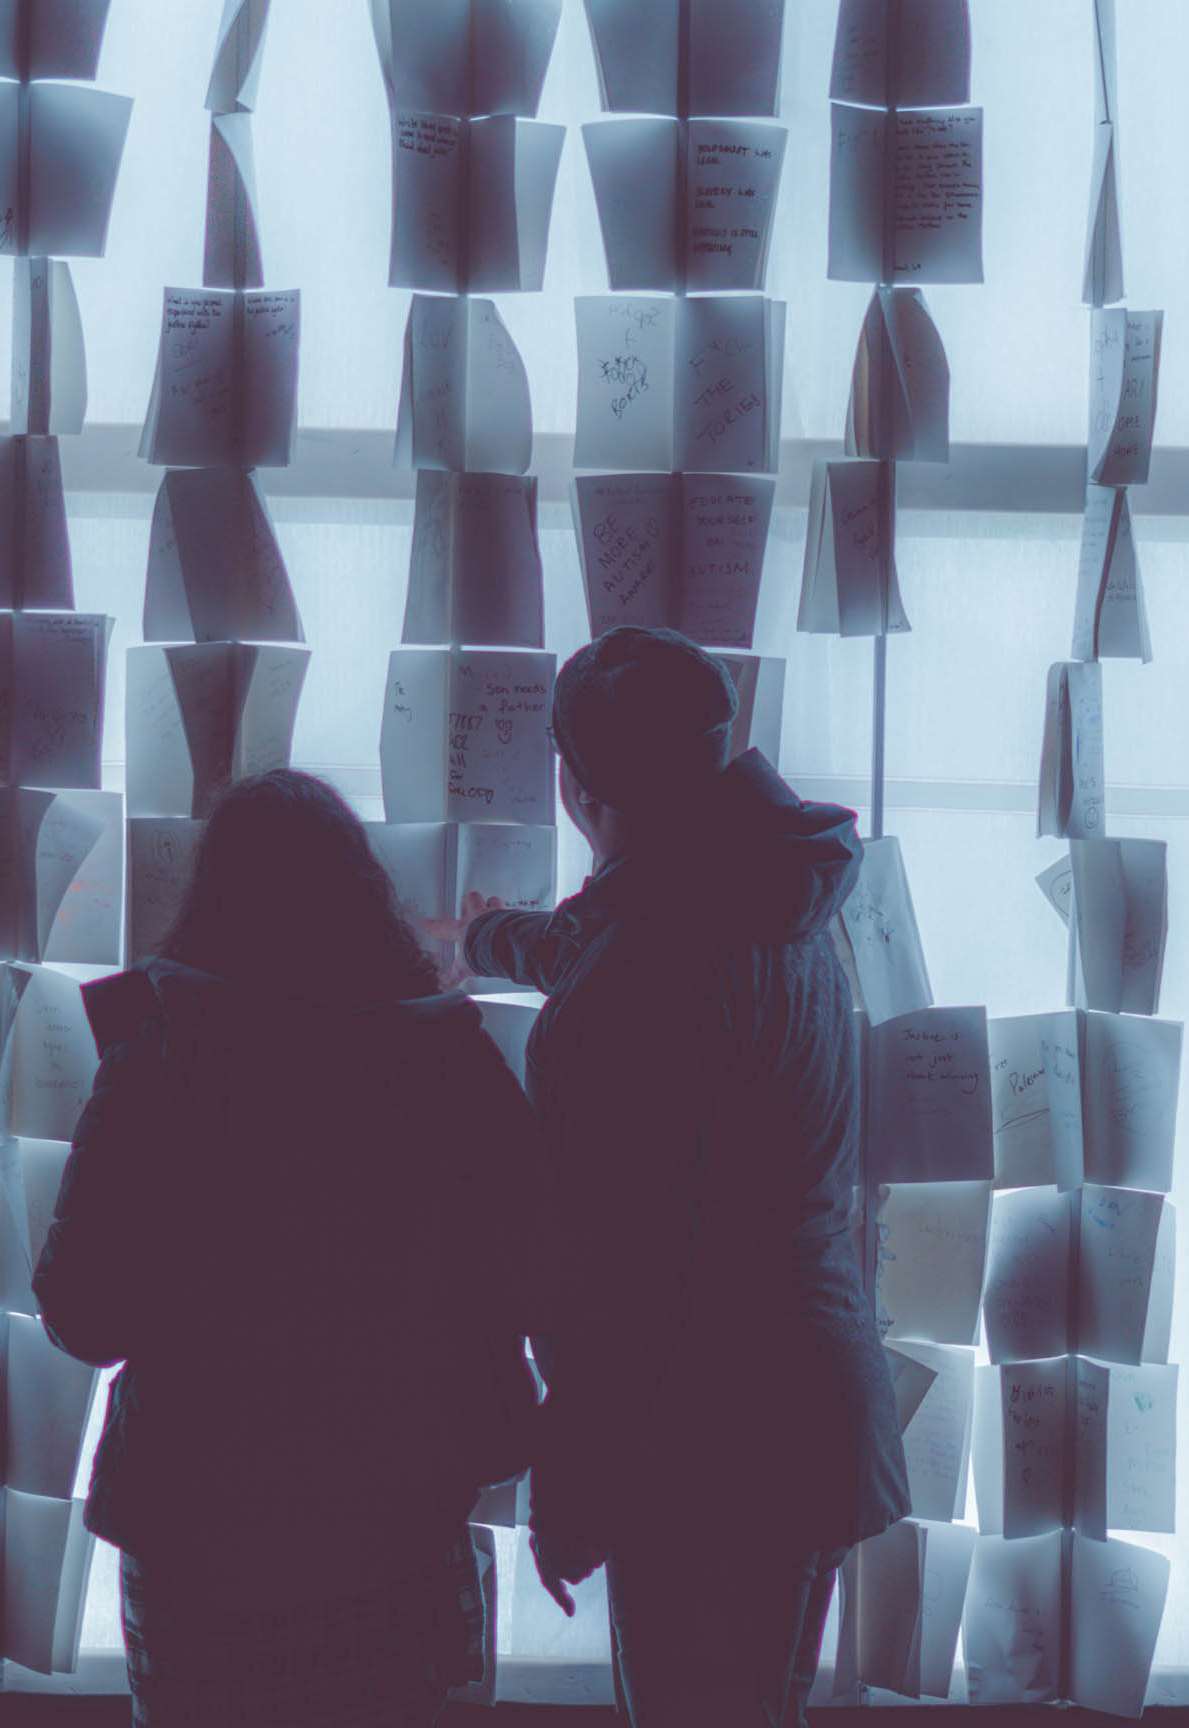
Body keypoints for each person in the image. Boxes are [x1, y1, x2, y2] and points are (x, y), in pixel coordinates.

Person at [432, 626, 909, 1728]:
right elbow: (620, 944)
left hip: (709, 1441)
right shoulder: (765, 892)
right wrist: (487, 941)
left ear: (577, 782)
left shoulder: (644, 967)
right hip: (814, 1404)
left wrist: (576, 1478)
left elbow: (624, 1264)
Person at [33, 769, 541, 1728]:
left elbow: (84, 1314)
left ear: (213, 902)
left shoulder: (157, 1067)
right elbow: (536, 1274)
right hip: (398, 1519)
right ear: (365, 898)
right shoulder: (451, 1062)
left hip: (200, 1538)